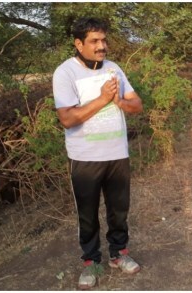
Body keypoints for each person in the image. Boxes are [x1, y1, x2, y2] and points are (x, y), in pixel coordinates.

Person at [52, 17, 143, 289]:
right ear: (78, 44)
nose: (101, 46)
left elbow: (136, 104)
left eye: (103, 40)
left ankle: (119, 253)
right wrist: (103, 99)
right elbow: (67, 118)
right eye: (94, 41)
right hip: (84, 158)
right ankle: (91, 261)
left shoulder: (114, 69)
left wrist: (119, 101)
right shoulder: (65, 73)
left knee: (119, 210)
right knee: (87, 214)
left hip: (117, 154)